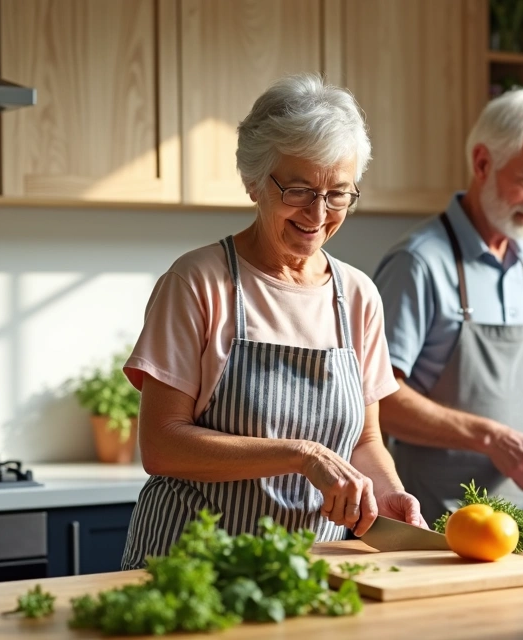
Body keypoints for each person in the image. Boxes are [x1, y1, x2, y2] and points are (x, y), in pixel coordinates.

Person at [120, 74, 424, 569]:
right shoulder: (198, 283)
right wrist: (301, 454)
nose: (319, 213)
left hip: (311, 569)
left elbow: (365, 440)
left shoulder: (357, 296)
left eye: (339, 193)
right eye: (300, 189)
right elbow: (161, 444)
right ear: (255, 181)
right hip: (193, 568)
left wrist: (390, 494)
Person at [372, 88, 523, 524]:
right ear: (482, 163)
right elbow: (379, 400)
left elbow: (517, 381)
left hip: (519, 521)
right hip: (433, 523)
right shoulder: (419, 262)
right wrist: (491, 437)